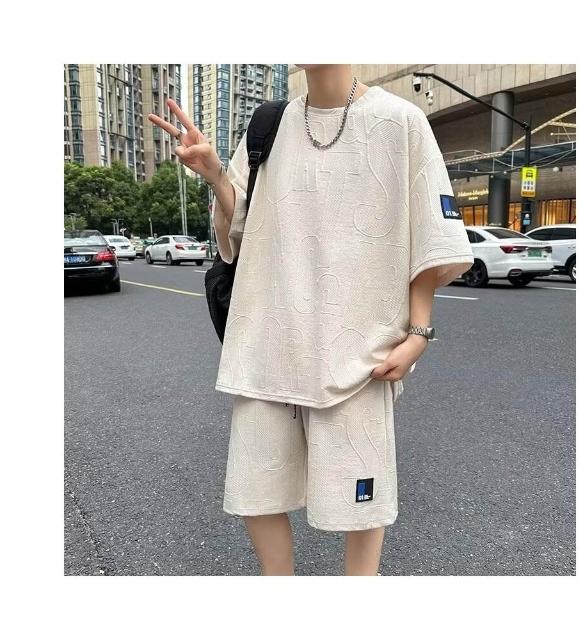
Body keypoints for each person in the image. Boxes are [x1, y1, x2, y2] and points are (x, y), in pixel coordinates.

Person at [149, 64, 473, 576]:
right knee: (258, 489)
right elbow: (244, 228)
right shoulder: (269, 124)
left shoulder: (400, 121)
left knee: (361, 495)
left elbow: (430, 232)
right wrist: (214, 174)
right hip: (268, 341)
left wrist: (418, 333)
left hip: (360, 350)